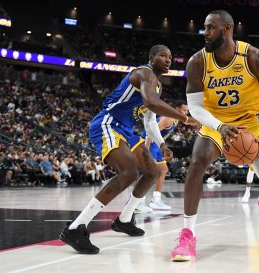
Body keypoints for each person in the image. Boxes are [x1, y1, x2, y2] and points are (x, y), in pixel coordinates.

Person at [170, 10, 259, 262]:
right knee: (197, 163)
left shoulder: (255, 58)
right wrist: (221, 127)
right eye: (204, 27)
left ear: (227, 29)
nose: (205, 33)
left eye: (210, 28)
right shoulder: (197, 62)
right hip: (216, 123)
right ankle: (187, 235)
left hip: (251, 125)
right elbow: (195, 107)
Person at [59, 45, 198, 255]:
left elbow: (150, 121)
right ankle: (75, 228)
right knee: (129, 173)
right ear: (151, 58)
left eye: (170, 57)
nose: (168, 60)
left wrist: (161, 144)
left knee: (153, 171)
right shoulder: (144, 73)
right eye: (163, 56)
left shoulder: (158, 86)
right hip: (108, 123)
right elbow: (152, 102)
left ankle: (124, 220)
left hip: (126, 131)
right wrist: (186, 118)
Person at [137, 100, 197, 211]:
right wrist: (146, 149)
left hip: (157, 145)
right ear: (177, 109)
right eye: (184, 110)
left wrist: (196, 123)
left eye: (187, 111)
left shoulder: (176, 118)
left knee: (163, 169)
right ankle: (138, 202)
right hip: (149, 142)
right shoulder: (167, 118)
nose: (186, 113)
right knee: (149, 172)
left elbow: (187, 121)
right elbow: (151, 131)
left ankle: (156, 200)